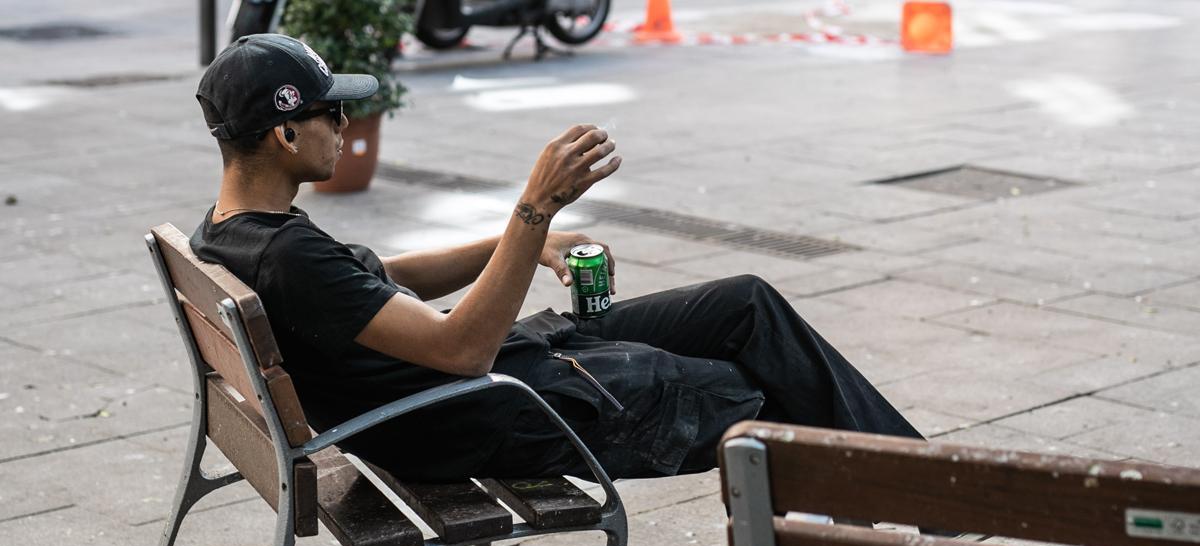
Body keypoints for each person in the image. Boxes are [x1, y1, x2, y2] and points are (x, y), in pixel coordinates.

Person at [191, 34, 920, 483]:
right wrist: (534, 208)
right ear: (286, 136)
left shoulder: (229, 232)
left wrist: (531, 245)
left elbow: (388, 278)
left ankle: (930, 497)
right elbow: (463, 348)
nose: (345, 124)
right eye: (330, 113)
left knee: (745, 302)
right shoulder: (288, 258)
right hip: (492, 408)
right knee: (768, 387)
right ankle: (926, 523)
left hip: (488, 381)